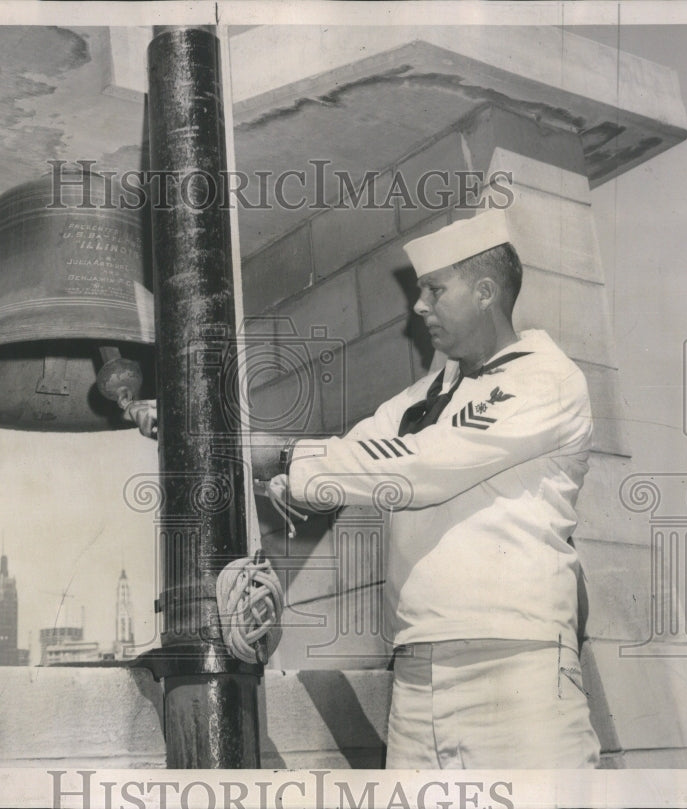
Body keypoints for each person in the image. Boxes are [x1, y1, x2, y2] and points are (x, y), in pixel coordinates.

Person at [128, 209, 600, 769]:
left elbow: (420, 466)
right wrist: (202, 427)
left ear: (485, 292)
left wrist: (284, 458)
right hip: (417, 673)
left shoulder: (544, 377)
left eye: (434, 289)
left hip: (515, 666)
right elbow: (352, 451)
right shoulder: (425, 395)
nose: (419, 305)